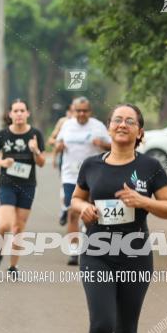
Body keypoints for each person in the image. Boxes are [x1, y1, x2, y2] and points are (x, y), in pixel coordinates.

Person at [69, 104, 167, 333]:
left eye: (130, 121)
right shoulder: (91, 165)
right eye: (117, 119)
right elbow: (76, 197)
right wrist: (82, 208)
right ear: (108, 127)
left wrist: (142, 201)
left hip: (135, 255)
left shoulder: (150, 167)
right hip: (97, 252)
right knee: (102, 323)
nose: (123, 124)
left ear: (139, 132)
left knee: (126, 331)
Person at [0, 99, 45, 279]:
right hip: (7, 184)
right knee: (5, 224)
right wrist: (2, 162)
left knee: (19, 228)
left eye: (22, 111)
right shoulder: (3, 135)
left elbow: (41, 163)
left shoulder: (35, 135)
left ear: (27, 113)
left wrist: (35, 151)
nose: (19, 114)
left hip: (27, 186)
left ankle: (13, 266)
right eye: (15, 111)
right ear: (10, 114)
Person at [57, 97, 110, 265]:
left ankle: (92, 247)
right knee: (73, 212)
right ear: (74, 111)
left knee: (92, 213)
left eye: (84, 111)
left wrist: (102, 144)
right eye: (78, 110)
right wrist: (58, 146)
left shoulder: (98, 126)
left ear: (90, 112)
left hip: (94, 175)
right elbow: (57, 142)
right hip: (70, 175)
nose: (81, 114)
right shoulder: (67, 125)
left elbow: (113, 146)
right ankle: (73, 252)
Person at [49, 104, 74, 225]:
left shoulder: (90, 125)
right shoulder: (63, 122)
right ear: (68, 112)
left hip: (84, 162)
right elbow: (52, 139)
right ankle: (65, 209)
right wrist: (55, 154)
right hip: (66, 160)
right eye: (73, 111)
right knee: (66, 186)